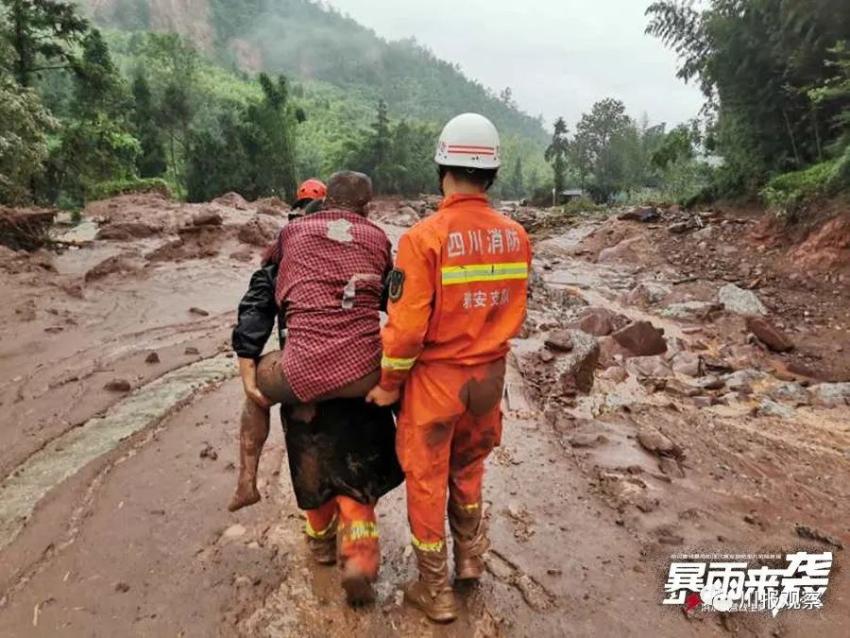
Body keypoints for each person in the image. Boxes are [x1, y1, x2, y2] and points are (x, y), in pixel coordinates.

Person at [366, 113, 532, 622]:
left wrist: (390, 386)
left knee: (427, 479)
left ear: (443, 167)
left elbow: (407, 331)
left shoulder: (423, 239)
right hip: (488, 380)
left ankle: (434, 590)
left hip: (437, 383)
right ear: (492, 174)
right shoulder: (516, 236)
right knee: (469, 468)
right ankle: (471, 563)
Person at [231, 171, 403, 605]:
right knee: (363, 469)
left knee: (256, 393)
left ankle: (249, 482)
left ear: (323, 201)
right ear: (367, 207)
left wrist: (247, 358)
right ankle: (361, 556)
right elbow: (395, 302)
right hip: (364, 376)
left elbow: (260, 297)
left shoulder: (291, 235)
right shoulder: (377, 239)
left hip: (299, 376)